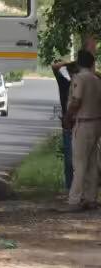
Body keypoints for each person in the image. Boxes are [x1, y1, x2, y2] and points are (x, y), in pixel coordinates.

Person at [62, 50, 101, 211]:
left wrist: (68, 116)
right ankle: (91, 198)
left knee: (79, 163)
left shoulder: (79, 78)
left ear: (78, 63)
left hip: (82, 123)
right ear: (92, 64)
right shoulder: (97, 80)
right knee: (92, 163)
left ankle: (74, 200)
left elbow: (77, 100)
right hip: (96, 123)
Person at [52, 60, 81, 190]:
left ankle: (80, 189)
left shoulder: (84, 85)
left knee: (82, 160)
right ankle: (69, 189)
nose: (74, 75)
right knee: (69, 161)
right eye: (72, 72)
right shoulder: (64, 83)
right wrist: (73, 61)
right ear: (69, 73)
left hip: (82, 125)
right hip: (68, 127)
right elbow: (55, 67)